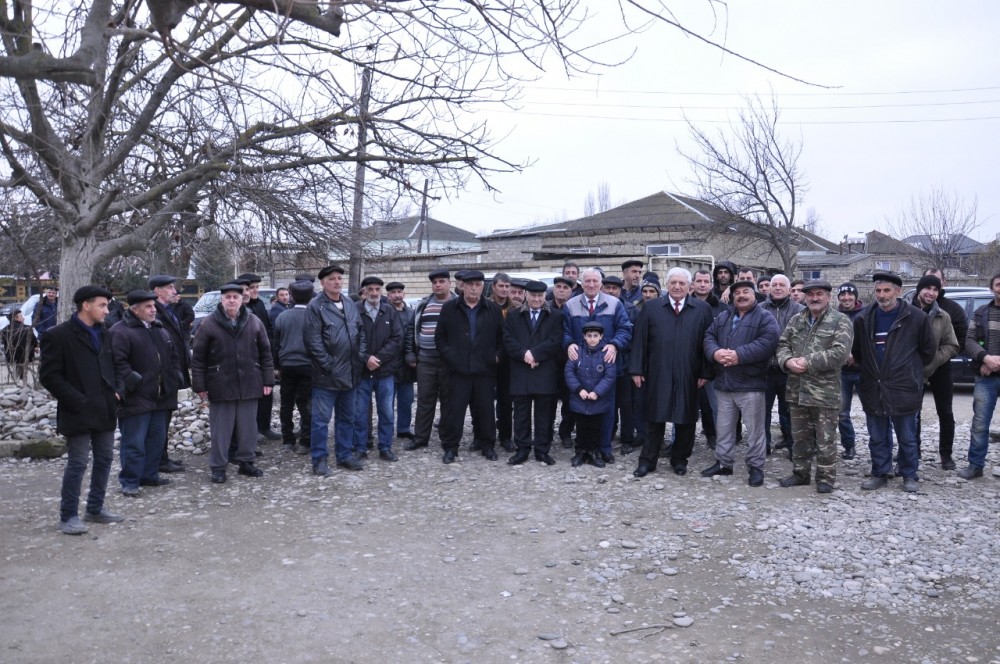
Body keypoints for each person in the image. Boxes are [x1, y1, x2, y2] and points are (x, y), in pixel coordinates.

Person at [39, 285, 124, 535]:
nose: (107, 310)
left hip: (105, 407)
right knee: (78, 463)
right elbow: (49, 376)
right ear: (86, 305)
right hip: (77, 410)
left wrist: (118, 390)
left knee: (106, 458)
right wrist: (77, 400)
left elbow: (113, 364)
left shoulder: (105, 332)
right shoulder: (58, 335)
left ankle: (95, 508)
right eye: (102, 305)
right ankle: (68, 516)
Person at [852, 272, 935, 493]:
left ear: (898, 292)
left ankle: (909, 474)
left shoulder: (916, 318)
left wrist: (909, 371)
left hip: (904, 387)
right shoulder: (863, 318)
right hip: (873, 385)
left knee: (907, 437)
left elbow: (928, 352)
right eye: (878, 291)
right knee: (877, 436)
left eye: (887, 290)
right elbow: (858, 352)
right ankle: (880, 471)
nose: (882, 295)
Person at [630, 268, 714, 478]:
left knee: (685, 418)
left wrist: (706, 371)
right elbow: (639, 340)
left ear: (690, 287)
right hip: (658, 370)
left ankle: (679, 459)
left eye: (682, 283)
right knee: (654, 417)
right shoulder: (652, 308)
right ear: (667, 285)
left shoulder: (702, 309)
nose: (677, 287)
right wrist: (636, 369)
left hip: (689, 372)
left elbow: (708, 342)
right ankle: (648, 461)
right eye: (673, 283)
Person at [775, 280, 854, 493]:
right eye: (810, 294)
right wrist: (787, 361)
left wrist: (808, 361)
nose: (814, 298)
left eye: (819, 294)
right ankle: (800, 473)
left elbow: (840, 353)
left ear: (828, 296)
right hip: (797, 389)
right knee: (800, 437)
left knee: (825, 439)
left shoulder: (840, 321)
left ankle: (825, 478)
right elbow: (782, 344)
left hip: (824, 393)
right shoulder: (796, 319)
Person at [191, 282, 273, 484]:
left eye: (235, 297)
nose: (231, 300)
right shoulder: (209, 323)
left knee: (248, 427)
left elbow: (266, 353)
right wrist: (200, 385)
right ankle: (218, 467)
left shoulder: (254, 321)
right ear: (222, 299)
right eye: (227, 297)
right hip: (221, 383)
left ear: (241, 299)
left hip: (249, 381)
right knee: (221, 429)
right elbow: (198, 357)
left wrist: (268, 379)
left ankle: (246, 462)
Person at [700, 279, 780, 486]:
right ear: (732, 297)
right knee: (724, 428)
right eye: (737, 293)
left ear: (754, 295)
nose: (741, 295)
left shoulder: (765, 317)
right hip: (724, 382)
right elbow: (708, 336)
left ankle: (755, 466)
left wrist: (738, 355)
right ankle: (724, 463)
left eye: (746, 292)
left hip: (751, 384)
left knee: (754, 430)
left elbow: (768, 342)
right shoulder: (724, 316)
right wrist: (715, 352)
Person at [110, 290, 182, 497]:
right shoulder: (120, 331)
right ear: (134, 309)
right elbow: (117, 362)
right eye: (148, 307)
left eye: (154, 306)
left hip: (161, 397)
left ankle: (149, 475)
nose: (153, 310)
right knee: (133, 442)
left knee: (156, 440)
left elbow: (173, 356)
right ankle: (130, 481)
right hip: (136, 397)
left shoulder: (160, 329)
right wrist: (133, 382)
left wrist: (175, 376)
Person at [563, 268, 632, 464]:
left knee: (607, 410)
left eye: (595, 281)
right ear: (581, 283)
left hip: (606, 367)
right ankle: (583, 449)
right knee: (581, 411)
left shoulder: (614, 304)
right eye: (587, 281)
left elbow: (626, 329)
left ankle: (604, 448)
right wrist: (569, 344)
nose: (591, 285)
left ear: (601, 284)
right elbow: (565, 331)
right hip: (580, 369)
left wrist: (614, 344)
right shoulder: (571, 305)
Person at [435, 270, 505, 463]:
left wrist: (497, 357)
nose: (474, 288)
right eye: (470, 284)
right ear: (462, 286)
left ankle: (487, 445)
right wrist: (450, 357)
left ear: (483, 287)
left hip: (484, 369)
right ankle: (450, 447)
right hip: (457, 370)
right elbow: (440, 338)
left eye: (478, 285)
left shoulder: (493, 310)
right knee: (454, 410)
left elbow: (502, 338)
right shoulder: (450, 308)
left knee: (485, 410)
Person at [304, 265, 363, 476]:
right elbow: (313, 341)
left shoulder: (349, 303)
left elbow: (360, 333)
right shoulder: (316, 306)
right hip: (326, 375)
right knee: (320, 421)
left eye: (339, 278)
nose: (337, 282)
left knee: (347, 418)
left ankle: (344, 455)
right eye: (332, 279)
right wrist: (329, 365)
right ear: (323, 283)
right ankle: (319, 459)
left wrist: (360, 358)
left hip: (350, 373)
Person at [504, 280, 564, 465]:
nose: (537, 299)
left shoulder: (555, 315)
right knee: (521, 413)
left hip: (545, 370)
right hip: (521, 370)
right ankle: (522, 449)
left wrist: (536, 354)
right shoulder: (514, 316)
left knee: (544, 414)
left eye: (540, 296)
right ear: (526, 296)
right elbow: (508, 339)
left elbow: (556, 340)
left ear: (545, 296)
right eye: (533, 296)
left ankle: (542, 450)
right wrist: (524, 354)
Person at [910, 274, 960, 468]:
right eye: (927, 288)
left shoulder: (943, 316)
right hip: (912, 370)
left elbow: (952, 345)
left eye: (935, 289)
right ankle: (913, 451)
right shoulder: (907, 311)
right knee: (913, 413)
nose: (931, 293)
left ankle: (946, 455)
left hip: (940, 368)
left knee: (945, 413)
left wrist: (933, 361)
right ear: (919, 289)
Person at [404, 269, 456, 451]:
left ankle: (447, 438)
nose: (438, 285)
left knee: (449, 401)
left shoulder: (457, 304)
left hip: (449, 362)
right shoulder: (423, 304)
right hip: (425, 360)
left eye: (442, 281)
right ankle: (420, 438)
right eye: (435, 282)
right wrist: (410, 353)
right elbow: (413, 329)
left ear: (450, 283)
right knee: (425, 401)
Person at [957, 271, 1000, 480]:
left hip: (990, 369)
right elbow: (969, 341)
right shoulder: (981, 312)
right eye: (998, 284)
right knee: (980, 423)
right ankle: (975, 465)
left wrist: (994, 363)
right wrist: (985, 358)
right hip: (986, 378)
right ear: (992, 288)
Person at [354, 276, 402, 462]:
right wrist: (366, 358)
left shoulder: (389, 311)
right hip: (363, 372)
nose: (374, 293)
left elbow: (397, 338)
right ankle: (360, 447)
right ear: (364, 291)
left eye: (377, 289)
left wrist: (378, 358)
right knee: (360, 412)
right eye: (370, 289)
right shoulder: (355, 311)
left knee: (387, 411)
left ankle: (385, 447)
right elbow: (351, 338)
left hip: (384, 371)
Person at [759, 274, 805, 455]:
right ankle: (763, 446)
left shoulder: (800, 310)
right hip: (764, 369)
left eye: (781, 285)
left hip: (789, 370)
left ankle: (793, 446)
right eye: (774, 285)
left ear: (788, 289)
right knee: (763, 411)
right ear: (769, 288)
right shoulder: (759, 308)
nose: (777, 288)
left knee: (790, 411)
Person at [149, 274, 190, 474]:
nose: (174, 291)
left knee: (166, 416)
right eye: (169, 287)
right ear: (157, 291)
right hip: (162, 375)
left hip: (173, 371)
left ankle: (162, 457)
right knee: (160, 420)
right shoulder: (154, 313)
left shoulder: (169, 310)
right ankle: (158, 460)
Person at [566, 321, 617, 467]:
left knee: (595, 427)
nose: (592, 339)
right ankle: (580, 452)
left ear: (601, 336)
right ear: (584, 336)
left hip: (597, 400)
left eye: (596, 335)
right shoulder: (577, 351)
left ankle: (594, 452)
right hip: (580, 398)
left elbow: (609, 376)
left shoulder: (606, 354)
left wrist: (597, 392)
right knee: (581, 427)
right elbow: (569, 372)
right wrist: (579, 389)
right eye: (589, 335)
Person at [237, 273, 281, 442]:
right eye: (249, 288)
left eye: (255, 288)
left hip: (263, 358)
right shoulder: (239, 309)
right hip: (247, 360)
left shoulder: (260, 305)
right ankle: (250, 431)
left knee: (266, 394)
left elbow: (268, 332)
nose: (253, 291)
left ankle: (264, 427)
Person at [273, 280, 314, 454]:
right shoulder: (314, 317)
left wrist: (276, 365)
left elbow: (276, 344)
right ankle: (306, 441)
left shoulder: (282, 317)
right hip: (308, 365)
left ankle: (288, 440)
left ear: (292, 296)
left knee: (286, 404)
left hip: (287, 365)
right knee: (306, 405)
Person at [835, 283, 865, 459]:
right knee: (841, 412)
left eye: (849, 294)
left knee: (872, 411)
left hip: (863, 370)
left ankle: (879, 447)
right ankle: (849, 445)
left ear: (855, 296)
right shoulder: (834, 316)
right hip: (841, 371)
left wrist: (858, 356)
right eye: (843, 294)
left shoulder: (866, 314)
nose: (846, 298)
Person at [551, 275, 579, 448]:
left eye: (565, 288)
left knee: (569, 401)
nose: (561, 290)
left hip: (570, 362)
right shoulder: (545, 306)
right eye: (558, 287)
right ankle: (546, 431)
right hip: (549, 362)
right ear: (553, 289)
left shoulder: (574, 309)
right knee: (547, 400)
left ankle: (566, 432)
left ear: (571, 291)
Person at [386, 281, 416, 441]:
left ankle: (404, 428)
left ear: (404, 294)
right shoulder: (385, 312)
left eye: (399, 292)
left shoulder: (411, 312)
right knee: (387, 401)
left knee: (407, 399)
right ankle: (387, 430)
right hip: (389, 363)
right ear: (388, 295)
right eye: (393, 292)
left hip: (407, 364)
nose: (397, 295)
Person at [491, 272, 515, 452]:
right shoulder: (486, 306)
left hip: (509, 362)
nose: (505, 289)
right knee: (481, 400)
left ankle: (505, 436)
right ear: (493, 287)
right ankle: (483, 434)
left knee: (506, 401)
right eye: (501, 286)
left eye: (507, 286)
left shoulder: (516, 308)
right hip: (488, 359)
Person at [2, 309, 37, 381]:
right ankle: (22, 378)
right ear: (16, 318)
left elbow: (4, 342)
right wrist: (35, 347)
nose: (23, 318)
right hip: (26, 355)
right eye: (21, 317)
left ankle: (20, 378)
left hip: (11, 356)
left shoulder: (5, 330)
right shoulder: (27, 328)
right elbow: (34, 341)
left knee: (18, 363)